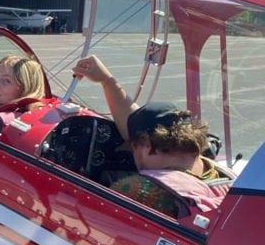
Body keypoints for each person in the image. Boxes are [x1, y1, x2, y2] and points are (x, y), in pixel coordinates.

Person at [72, 55, 231, 217]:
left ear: (146, 145)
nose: (134, 154)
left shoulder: (139, 190)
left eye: (133, 146)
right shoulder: (210, 168)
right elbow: (140, 123)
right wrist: (106, 80)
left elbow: (90, 218)